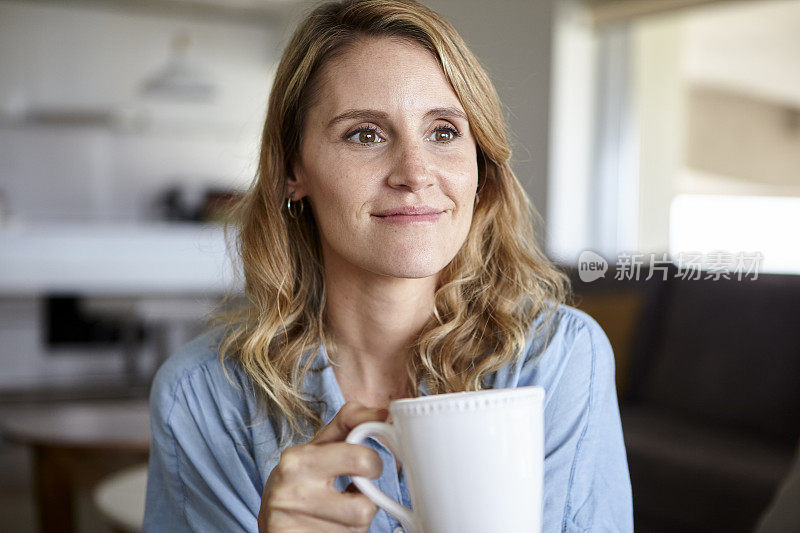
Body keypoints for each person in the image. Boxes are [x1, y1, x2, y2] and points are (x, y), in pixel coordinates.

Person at [143, 0, 633, 531]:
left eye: (444, 131)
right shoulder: (200, 397)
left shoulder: (557, 360)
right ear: (292, 169)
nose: (415, 173)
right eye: (365, 134)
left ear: (479, 166)